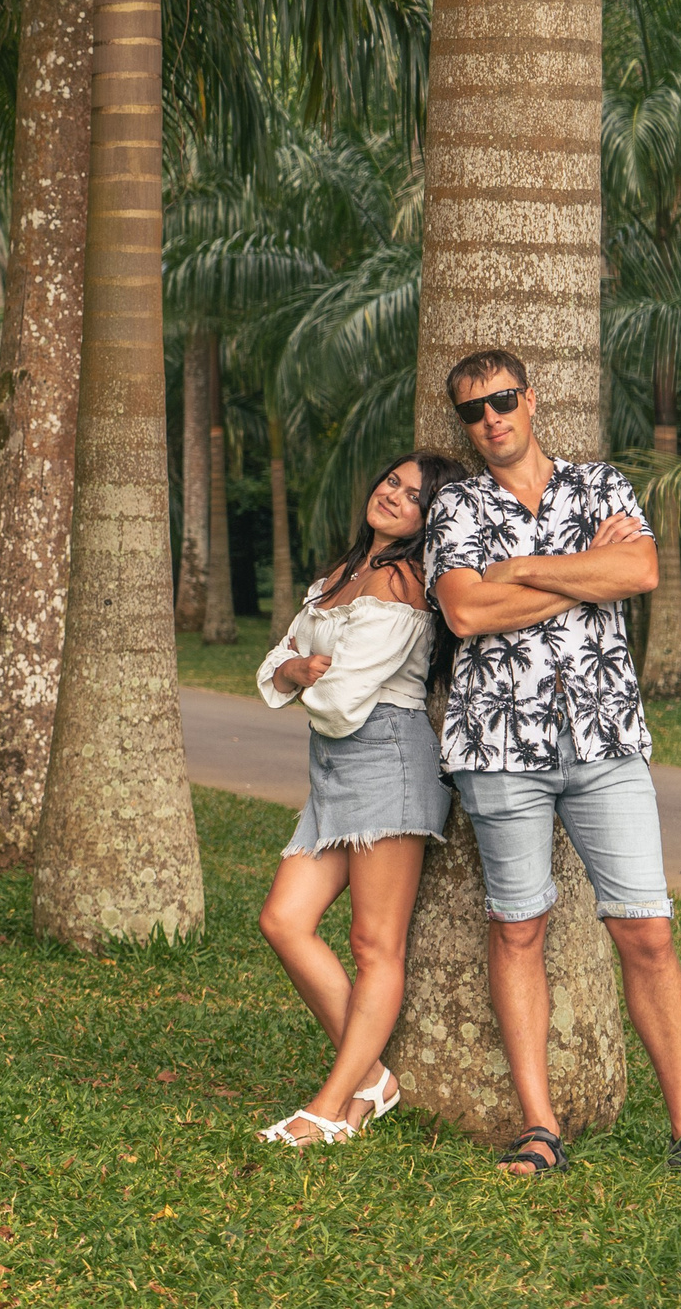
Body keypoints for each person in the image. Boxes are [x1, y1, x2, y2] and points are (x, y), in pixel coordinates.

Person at [425, 348, 681, 1177]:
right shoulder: (454, 504)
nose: (490, 418)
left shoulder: (599, 485)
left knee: (647, 930)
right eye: (472, 410)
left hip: (604, 739)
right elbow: (463, 611)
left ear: (530, 399)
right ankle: (540, 1127)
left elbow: (638, 567)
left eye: (500, 400)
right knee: (518, 925)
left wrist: (522, 570)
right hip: (499, 744)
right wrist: (581, 577)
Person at [252, 450, 466, 1146]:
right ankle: (373, 1077)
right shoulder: (338, 577)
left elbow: (342, 701)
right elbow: (271, 665)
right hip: (335, 772)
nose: (395, 496)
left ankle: (329, 1104)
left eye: (415, 496)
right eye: (392, 482)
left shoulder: (404, 582)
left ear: (430, 520)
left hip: (388, 760)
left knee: (375, 944)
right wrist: (290, 667)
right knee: (284, 919)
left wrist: (298, 676)